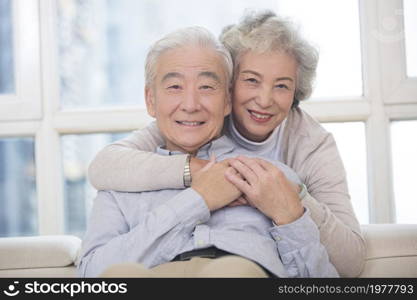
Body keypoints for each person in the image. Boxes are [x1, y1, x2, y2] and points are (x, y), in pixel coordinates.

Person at [87, 10, 365, 277]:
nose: (191, 105)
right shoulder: (132, 171)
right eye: (251, 80)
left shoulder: (286, 164)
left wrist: (291, 201)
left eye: (282, 85)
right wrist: (200, 191)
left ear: (225, 99)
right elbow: (90, 271)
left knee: (232, 273)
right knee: (121, 276)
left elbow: (339, 266)